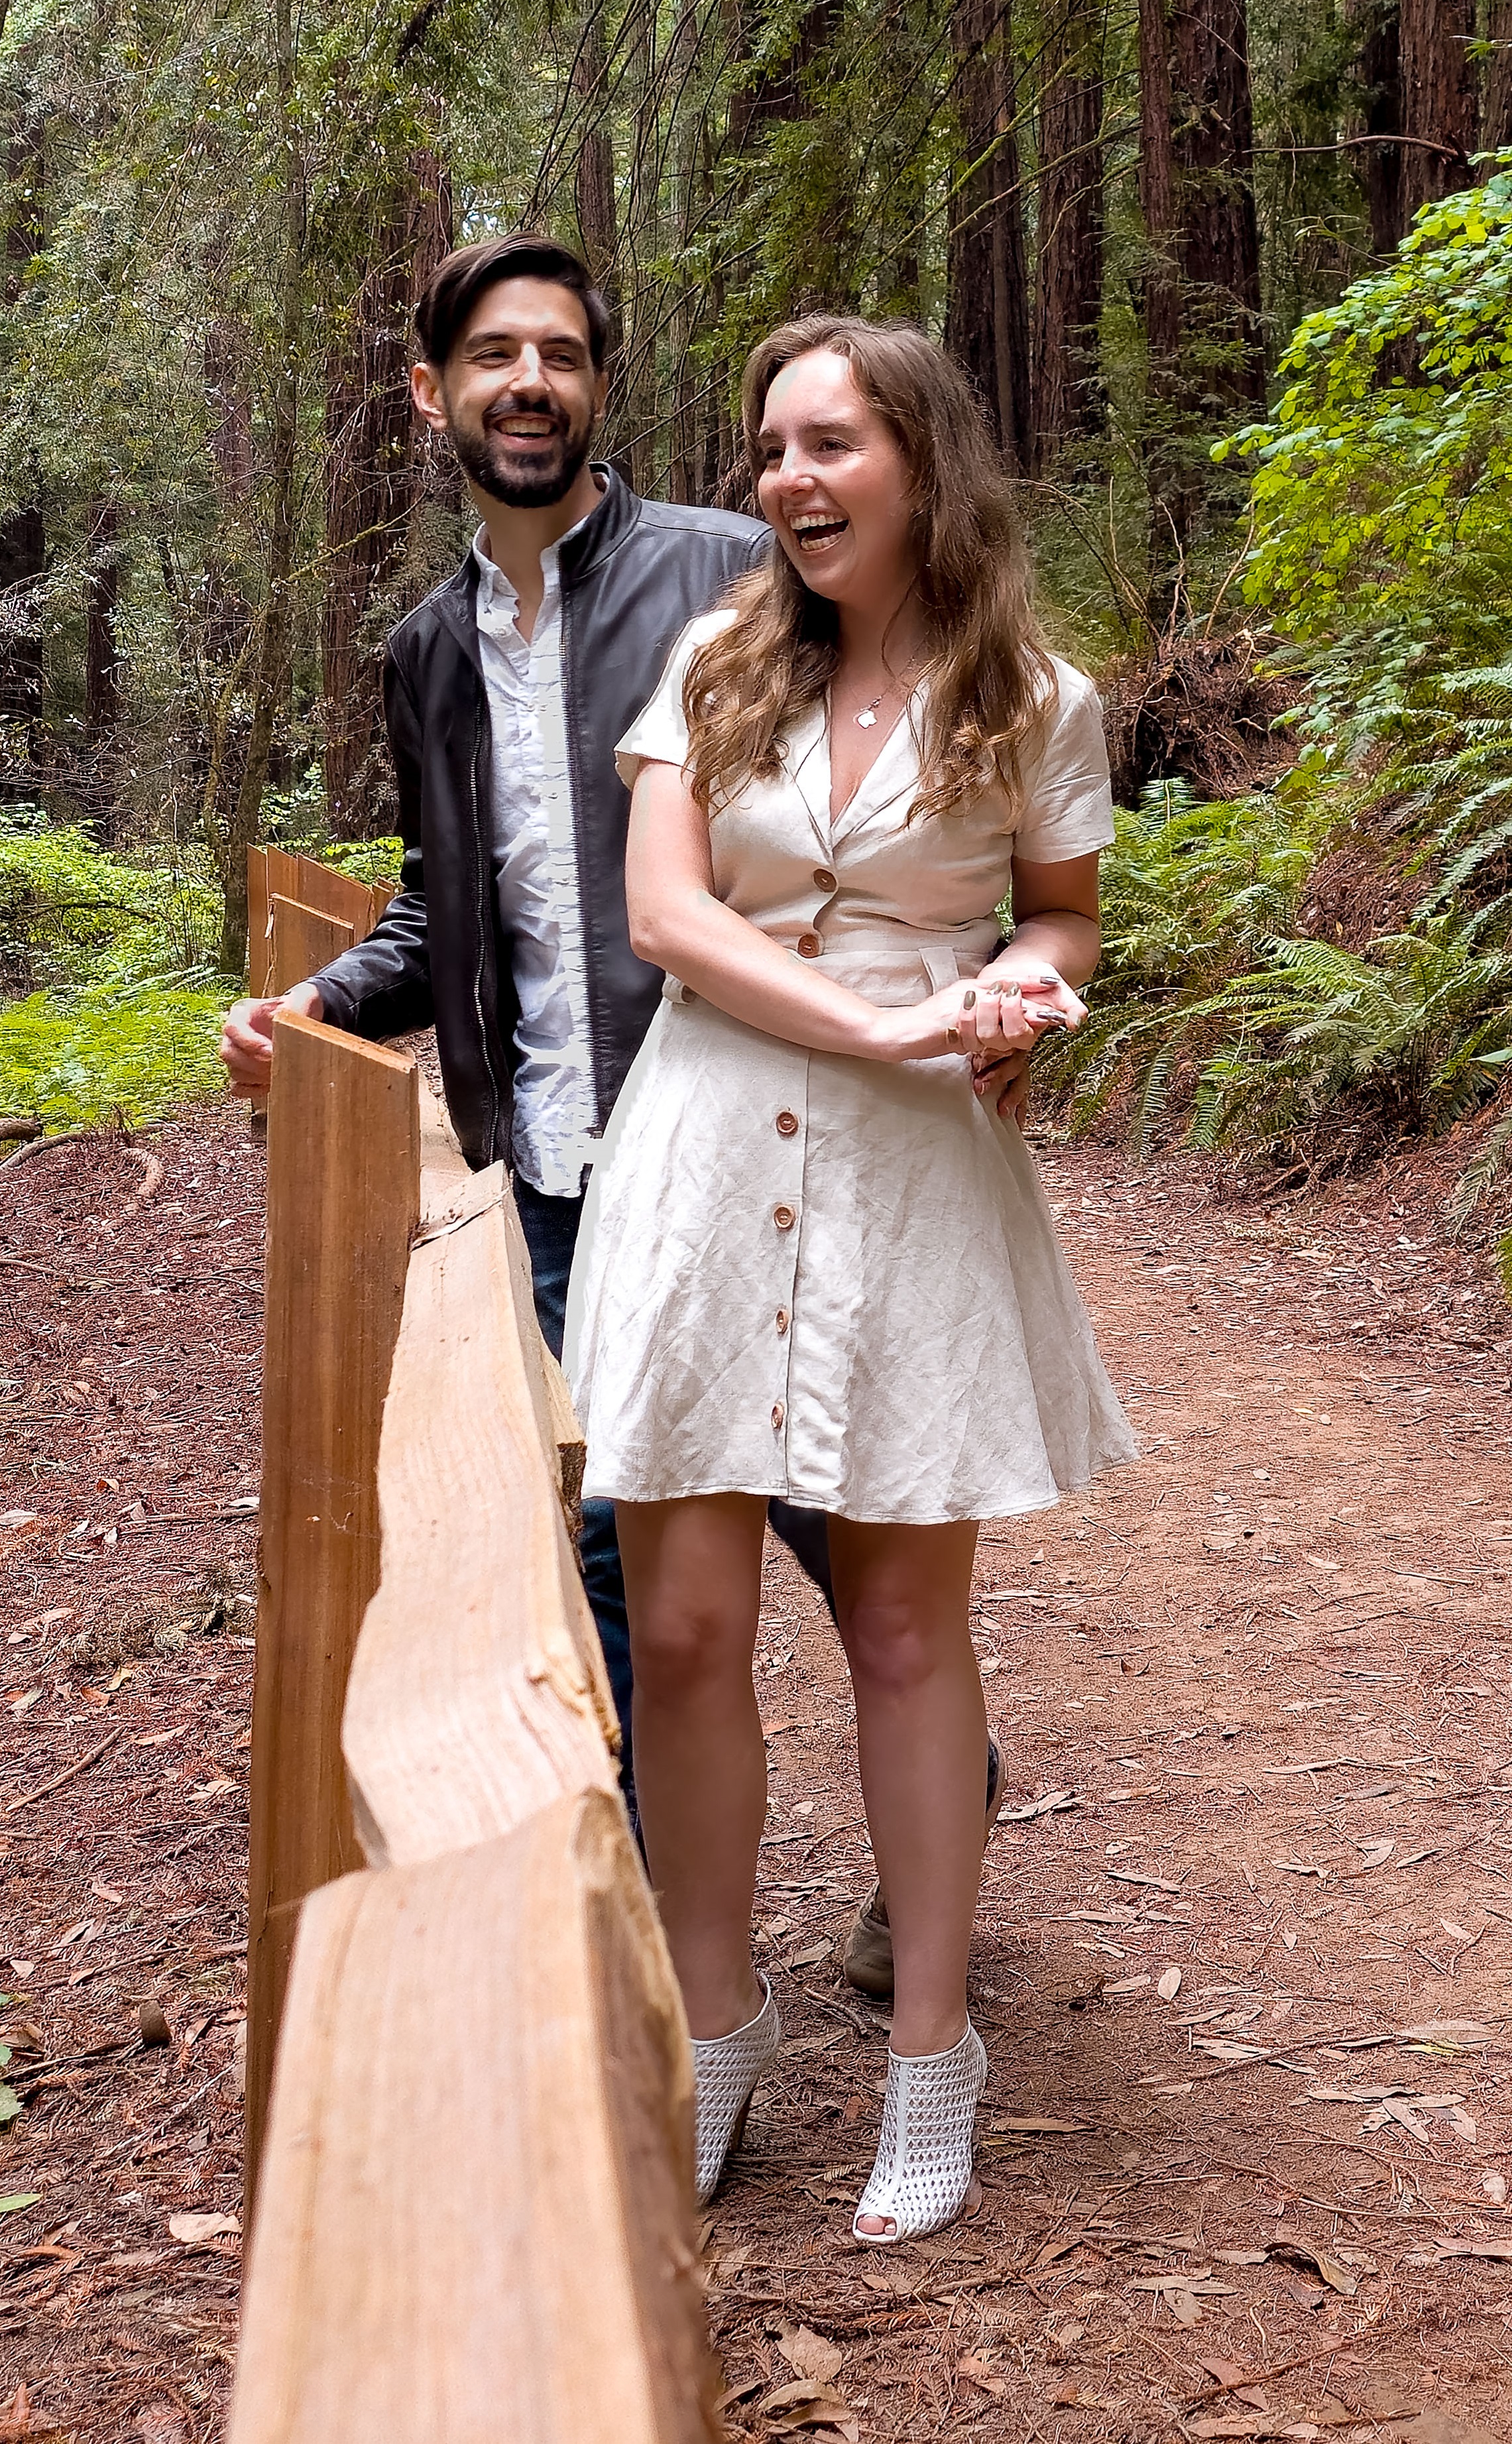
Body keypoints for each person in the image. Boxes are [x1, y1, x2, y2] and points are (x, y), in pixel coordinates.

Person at [561, 314, 1137, 2241]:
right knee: (690, 1628)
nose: (790, 481)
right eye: (769, 450)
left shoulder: (1033, 690)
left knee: (902, 1631)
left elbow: (1059, 909)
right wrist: (879, 1026)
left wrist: (1021, 997)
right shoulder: (713, 663)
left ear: (919, 458)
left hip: (912, 1184)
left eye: (828, 445)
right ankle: (714, 2026)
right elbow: (664, 916)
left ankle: (927, 2053)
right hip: (707, 1153)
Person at [219, 233, 845, 1796]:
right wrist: (316, 1000)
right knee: (610, 1532)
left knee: (834, 1509)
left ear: (598, 386)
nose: (530, 382)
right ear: (432, 394)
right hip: (558, 1165)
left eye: (561, 354)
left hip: (745, 1131)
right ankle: (642, 1927)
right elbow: (449, 906)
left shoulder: (727, 569)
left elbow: (859, 800)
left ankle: (938, 1788)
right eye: (496, 354)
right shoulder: (428, 653)